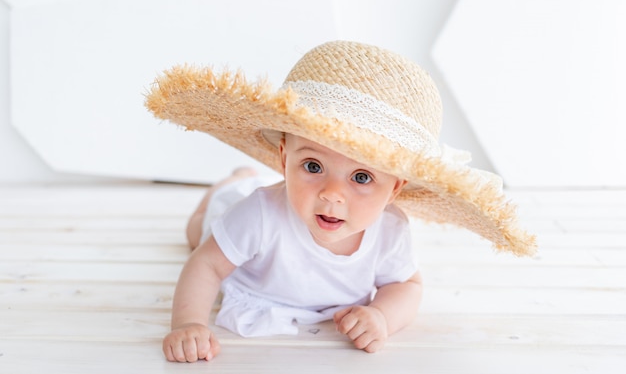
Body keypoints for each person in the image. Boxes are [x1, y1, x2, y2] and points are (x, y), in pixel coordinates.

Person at [145, 40, 536, 363]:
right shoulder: (260, 214)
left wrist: (382, 315)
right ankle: (233, 183)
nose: (333, 193)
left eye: (362, 177)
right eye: (312, 165)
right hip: (249, 255)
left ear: (394, 189)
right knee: (197, 233)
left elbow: (408, 286)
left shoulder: (392, 230)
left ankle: (254, 177)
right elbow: (208, 264)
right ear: (284, 158)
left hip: (282, 204)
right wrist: (187, 324)